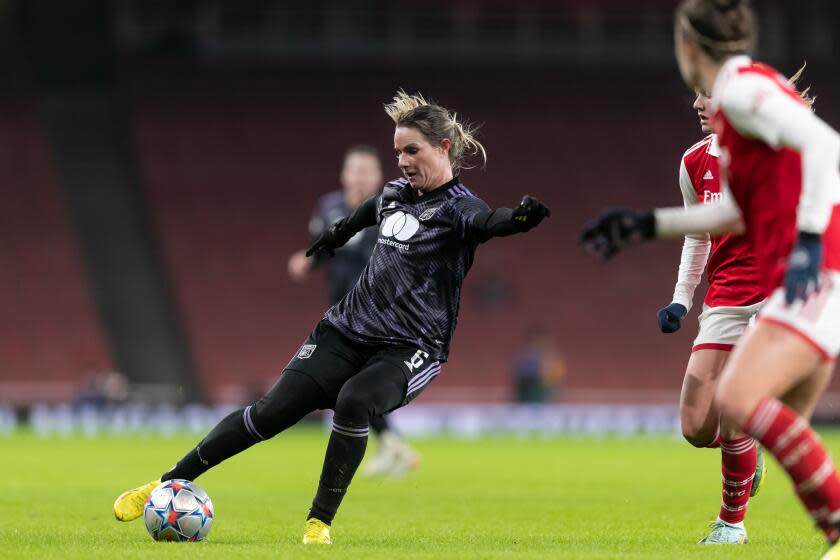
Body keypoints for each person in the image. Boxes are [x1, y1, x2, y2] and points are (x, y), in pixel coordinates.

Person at [113, 90, 550, 545]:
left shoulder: (460, 208)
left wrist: (516, 220)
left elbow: (488, 222)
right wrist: (332, 237)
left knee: (356, 400)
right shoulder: (395, 194)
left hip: (411, 347)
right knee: (268, 413)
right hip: (346, 329)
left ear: (442, 148)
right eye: (397, 150)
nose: (401, 160)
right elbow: (365, 213)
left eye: (412, 150)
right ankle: (161, 484)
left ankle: (318, 522)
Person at [580, 1, 840, 557]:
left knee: (742, 404)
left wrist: (812, 240)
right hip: (793, 273)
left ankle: (748, 522)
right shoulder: (735, 109)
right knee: (742, 415)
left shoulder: (741, 89)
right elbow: (734, 215)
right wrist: (648, 224)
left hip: (808, 270)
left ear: (688, 46)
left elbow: (826, 144)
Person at [659, 91, 769, 544]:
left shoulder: (775, 152)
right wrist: (682, 299)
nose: (697, 104)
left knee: (735, 407)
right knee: (696, 427)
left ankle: (731, 524)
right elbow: (697, 235)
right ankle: (746, 453)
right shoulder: (694, 162)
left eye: (708, 94)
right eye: (695, 94)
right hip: (725, 298)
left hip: (778, 295)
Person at [288, 145, 420, 478]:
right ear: (344, 174)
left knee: (351, 381)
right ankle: (392, 442)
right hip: (340, 310)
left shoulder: (391, 213)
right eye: (355, 170)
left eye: (366, 171)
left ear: (377, 178)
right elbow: (321, 248)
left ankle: (390, 442)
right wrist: (306, 261)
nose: (360, 177)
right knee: (351, 382)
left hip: (377, 312)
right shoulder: (329, 208)